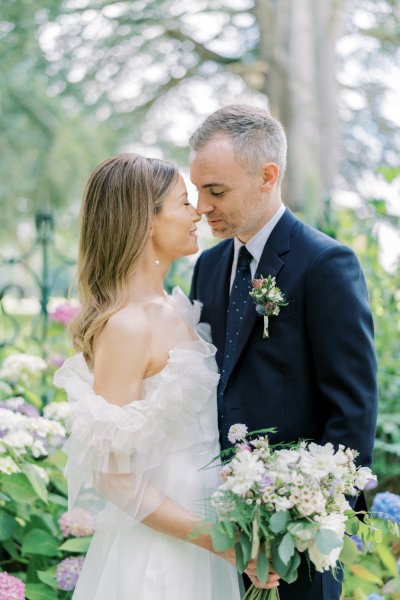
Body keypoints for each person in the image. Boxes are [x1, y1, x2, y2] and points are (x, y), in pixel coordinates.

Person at [54, 153, 280, 599]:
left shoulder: (180, 308)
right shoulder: (126, 325)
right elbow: (113, 477)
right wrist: (219, 541)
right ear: (146, 221)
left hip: (207, 525)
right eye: (182, 202)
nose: (197, 210)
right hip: (161, 548)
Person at [189, 105, 378, 600]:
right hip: (219, 526)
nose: (202, 207)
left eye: (217, 191)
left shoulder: (325, 264)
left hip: (298, 532)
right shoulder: (207, 268)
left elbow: (352, 407)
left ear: (267, 176)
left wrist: (316, 522)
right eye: (198, 190)